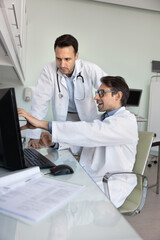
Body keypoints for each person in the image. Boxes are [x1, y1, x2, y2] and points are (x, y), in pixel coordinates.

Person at [18, 76, 138, 208]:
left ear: (117, 96)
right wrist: (55, 143)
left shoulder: (126, 121)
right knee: (50, 193)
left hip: (110, 184)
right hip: (91, 177)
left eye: (101, 93)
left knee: (58, 202)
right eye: (97, 93)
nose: (96, 97)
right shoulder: (100, 119)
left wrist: (43, 124)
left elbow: (91, 132)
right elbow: (85, 141)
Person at [27, 34, 107, 149]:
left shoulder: (90, 69)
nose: (62, 64)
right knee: (62, 152)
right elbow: (40, 103)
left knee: (87, 153)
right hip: (64, 119)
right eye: (58, 59)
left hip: (86, 119)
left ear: (76, 56)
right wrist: (33, 135)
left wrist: (112, 116)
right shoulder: (49, 70)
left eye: (67, 59)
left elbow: (109, 90)